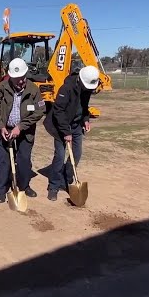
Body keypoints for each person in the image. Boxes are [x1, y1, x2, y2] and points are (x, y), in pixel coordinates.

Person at [0, 58, 46, 203]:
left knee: (24, 160)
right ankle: (1, 190)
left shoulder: (33, 89)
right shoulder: (1, 87)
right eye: (16, 79)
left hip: (25, 131)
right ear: (10, 77)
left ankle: (24, 186)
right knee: (4, 160)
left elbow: (39, 111)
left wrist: (20, 127)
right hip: (5, 129)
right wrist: (1, 126)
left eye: (22, 78)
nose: (20, 82)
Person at [44, 65, 99, 201]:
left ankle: (66, 180)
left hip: (75, 126)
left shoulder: (87, 89)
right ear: (80, 80)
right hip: (60, 126)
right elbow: (58, 111)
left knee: (77, 153)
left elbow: (84, 106)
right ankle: (53, 186)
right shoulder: (66, 88)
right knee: (60, 156)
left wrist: (85, 120)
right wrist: (65, 131)